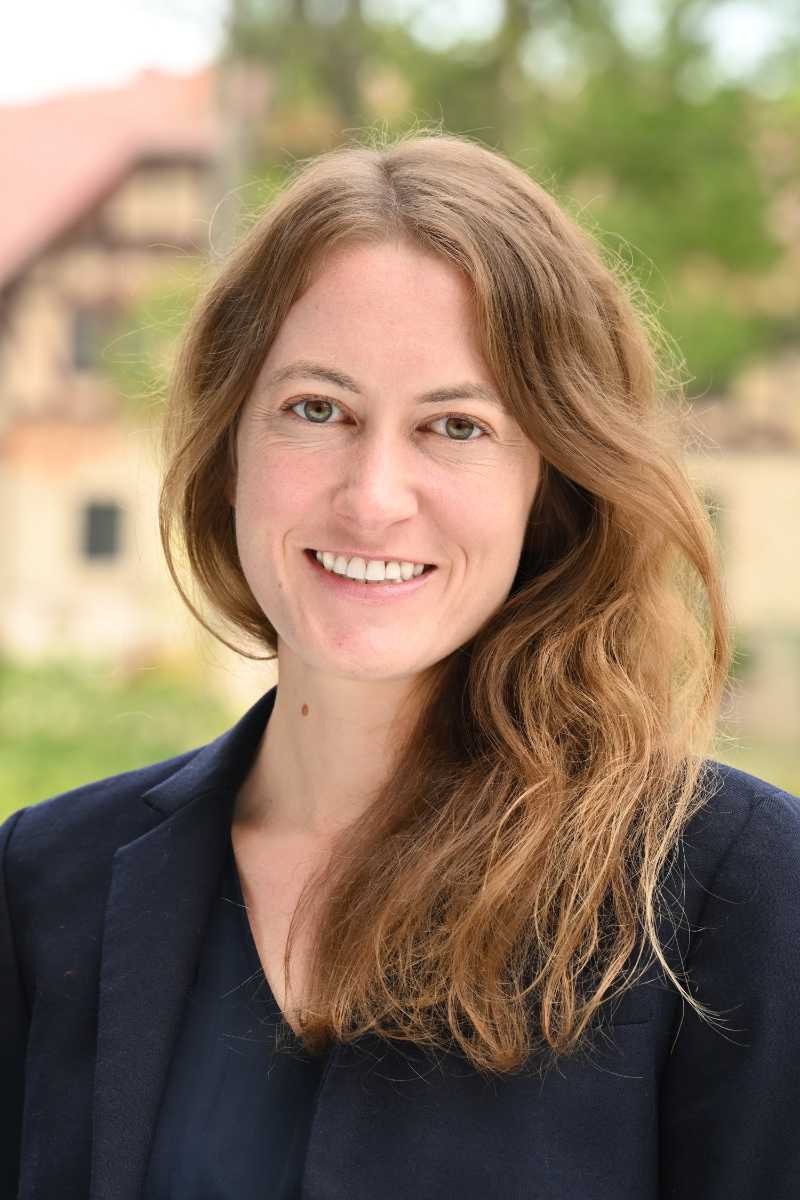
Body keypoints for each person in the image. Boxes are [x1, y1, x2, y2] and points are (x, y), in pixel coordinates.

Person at [2, 130, 799, 1200]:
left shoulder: (730, 892)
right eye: (316, 409)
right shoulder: (45, 881)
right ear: (230, 445)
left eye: (455, 426)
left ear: (548, 486)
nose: (374, 496)